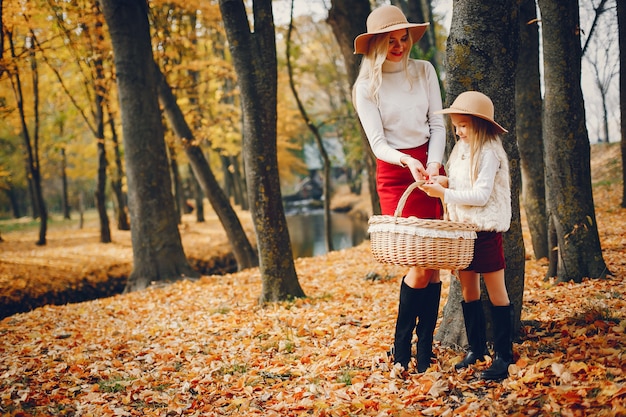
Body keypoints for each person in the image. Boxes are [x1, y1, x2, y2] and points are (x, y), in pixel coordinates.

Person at [353, 4, 446, 374]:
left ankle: (424, 352)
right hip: (395, 172)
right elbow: (377, 143)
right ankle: (401, 347)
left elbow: (438, 125)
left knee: (435, 265)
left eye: (403, 38)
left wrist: (435, 164)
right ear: (376, 43)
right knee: (420, 265)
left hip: (430, 166)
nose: (399, 45)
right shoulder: (366, 86)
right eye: (390, 40)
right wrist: (406, 162)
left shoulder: (424, 71)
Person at [419, 91, 514, 381]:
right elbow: (461, 183)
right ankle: (477, 349)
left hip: (484, 231)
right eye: (456, 126)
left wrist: (444, 193)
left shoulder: (490, 152)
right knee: (468, 290)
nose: (458, 131)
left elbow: (481, 195)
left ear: (480, 124)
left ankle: (503, 356)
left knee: (496, 292)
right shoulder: (461, 149)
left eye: (464, 125)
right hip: (462, 233)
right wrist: (444, 181)